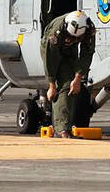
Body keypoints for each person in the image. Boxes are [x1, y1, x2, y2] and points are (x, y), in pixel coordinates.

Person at [40, 9, 95, 138]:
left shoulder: (89, 29)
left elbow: (87, 54)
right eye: (70, 37)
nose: (72, 39)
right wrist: (51, 85)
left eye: (76, 38)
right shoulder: (55, 34)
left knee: (70, 84)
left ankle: (64, 127)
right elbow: (50, 60)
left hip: (71, 50)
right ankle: (62, 129)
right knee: (64, 85)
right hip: (52, 49)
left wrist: (78, 78)